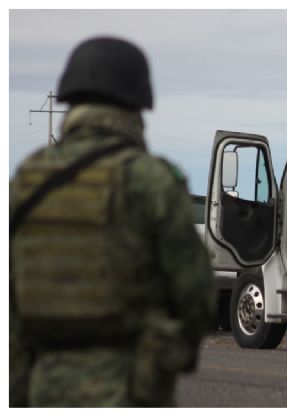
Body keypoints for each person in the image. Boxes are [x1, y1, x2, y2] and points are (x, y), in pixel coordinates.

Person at [9, 36, 215, 407]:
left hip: (40, 387)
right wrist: (167, 356)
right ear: (138, 103)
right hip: (131, 388)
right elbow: (195, 292)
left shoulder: (26, 179)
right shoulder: (151, 181)